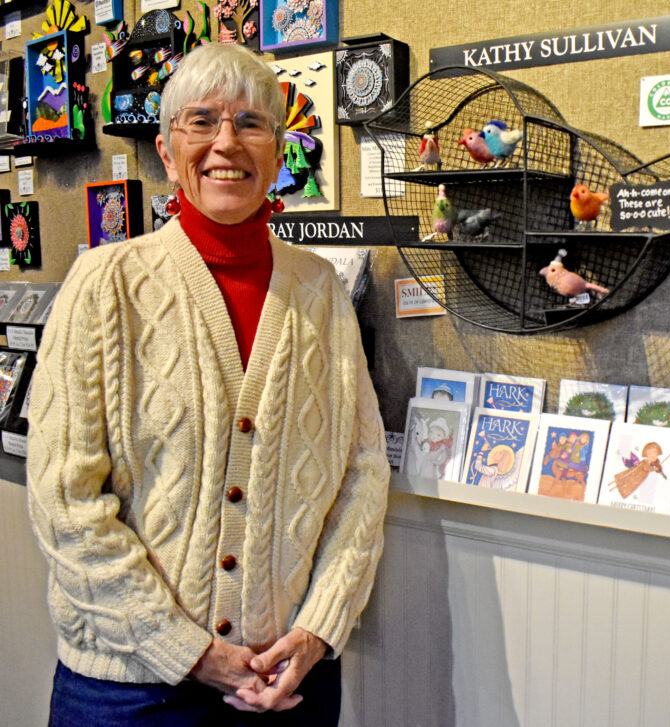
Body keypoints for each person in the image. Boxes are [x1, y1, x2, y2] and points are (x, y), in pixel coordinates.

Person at [26, 42, 389, 726]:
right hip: (130, 690)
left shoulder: (320, 291)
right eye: (202, 120)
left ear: (278, 154)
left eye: (252, 123)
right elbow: (65, 501)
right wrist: (186, 649)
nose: (227, 141)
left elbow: (362, 475)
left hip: (288, 682)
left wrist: (317, 629)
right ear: (168, 152)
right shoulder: (105, 286)